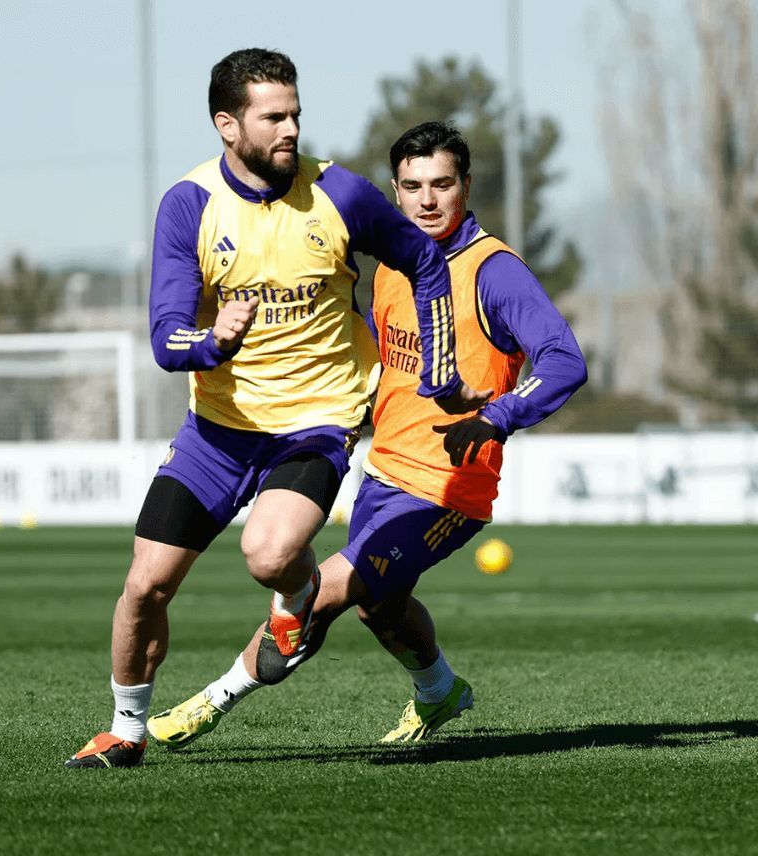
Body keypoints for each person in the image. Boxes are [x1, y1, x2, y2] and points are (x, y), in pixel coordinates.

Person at [65, 52, 487, 770]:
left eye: (295, 112)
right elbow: (167, 338)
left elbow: (422, 261)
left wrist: (442, 368)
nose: (291, 127)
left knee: (267, 555)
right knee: (144, 587)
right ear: (228, 125)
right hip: (216, 433)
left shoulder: (341, 196)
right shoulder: (189, 205)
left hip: (313, 424)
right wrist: (210, 340)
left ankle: (295, 601)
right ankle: (125, 729)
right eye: (274, 116)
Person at [144, 121, 587, 750]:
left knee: (318, 595)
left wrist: (495, 416)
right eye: (412, 187)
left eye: (442, 184)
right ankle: (441, 692)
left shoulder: (494, 272)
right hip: (382, 469)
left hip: (446, 488)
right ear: (396, 192)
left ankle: (210, 703)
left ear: (466, 186)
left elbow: (566, 361)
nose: (427, 200)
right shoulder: (391, 266)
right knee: (379, 604)